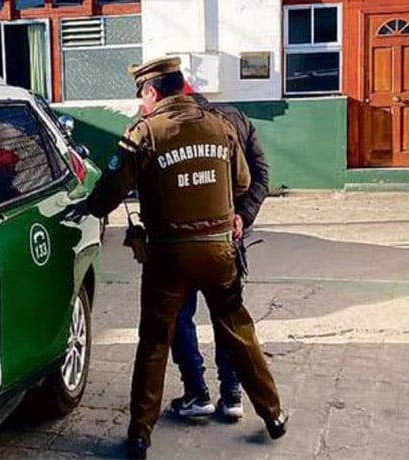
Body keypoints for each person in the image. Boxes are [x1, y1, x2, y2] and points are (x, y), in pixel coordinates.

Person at [84, 57, 287, 459]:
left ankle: (141, 435)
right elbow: (244, 182)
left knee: (155, 342)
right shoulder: (222, 126)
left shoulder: (144, 133)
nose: (140, 104)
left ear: (151, 91)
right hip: (219, 252)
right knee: (239, 331)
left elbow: (107, 196)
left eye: (141, 95)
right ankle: (274, 415)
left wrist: (89, 205)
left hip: (168, 258)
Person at [169, 85, 271, 420]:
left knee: (181, 316)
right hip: (229, 239)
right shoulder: (237, 119)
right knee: (226, 316)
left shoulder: (171, 127)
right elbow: (261, 177)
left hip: (184, 243)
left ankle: (196, 393)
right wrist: (242, 215)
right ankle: (232, 395)